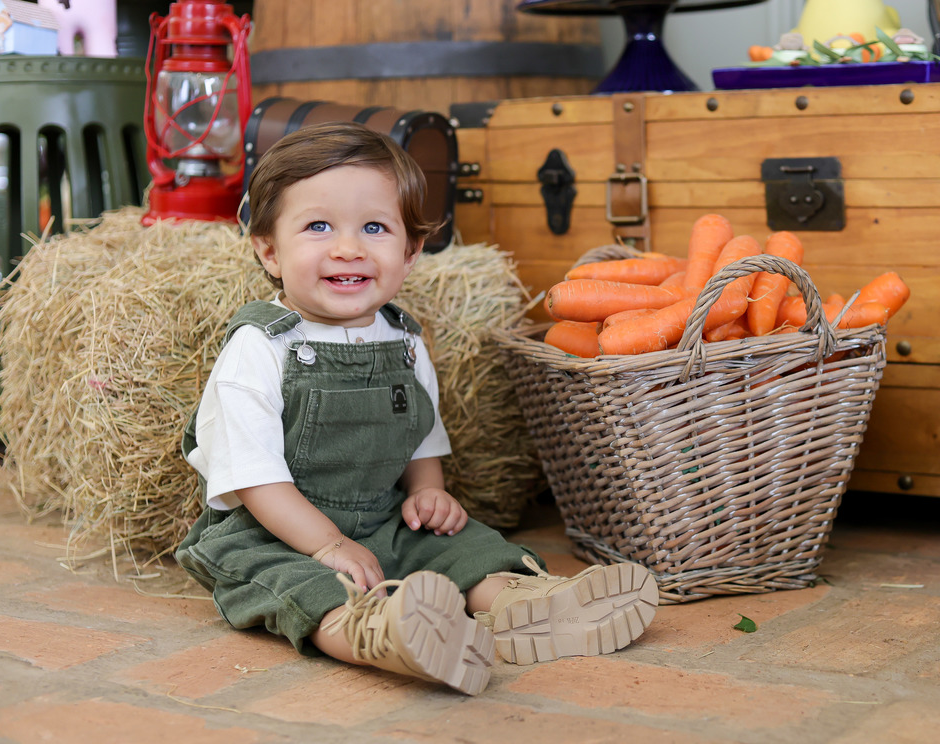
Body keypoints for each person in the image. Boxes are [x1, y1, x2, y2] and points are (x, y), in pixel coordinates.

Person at [175, 121, 658, 696]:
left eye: (374, 228)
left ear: (409, 253)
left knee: (462, 545)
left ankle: (523, 605)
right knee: (298, 585)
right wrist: (327, 545)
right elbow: (256, 478)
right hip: (269, 531)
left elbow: (420, 435)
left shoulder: (402, 339)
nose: (348, 247)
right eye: (318, 226)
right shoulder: (260, 347)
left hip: (383, 519)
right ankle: (377, 633)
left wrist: (429, 490)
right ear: (269, 251)